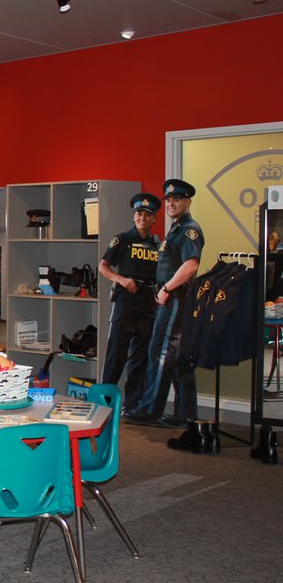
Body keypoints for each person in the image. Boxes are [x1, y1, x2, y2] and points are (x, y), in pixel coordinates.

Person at [127, 179, 204, 427]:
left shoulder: (189, 230)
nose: (171, 204)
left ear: (187, 202)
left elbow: (191, 265)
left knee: (161, 352)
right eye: (168, 200)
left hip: (175, 298)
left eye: (176, 200)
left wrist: (167, 288)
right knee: (178, 357)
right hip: (172, 298)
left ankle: (150, 410)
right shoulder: (176, 229)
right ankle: (185, 414)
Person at [98, 192, 160, 415]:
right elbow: (103, 266)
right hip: (125, 303)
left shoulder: (157, 244)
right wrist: (122, 280)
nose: (142, 218)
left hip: (148, 305)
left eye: (147, 215)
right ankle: (104, 403)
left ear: (153, 219)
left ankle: (132, 406)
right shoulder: (122, 239)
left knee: (140, 357)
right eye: (139, 214)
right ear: (134, 216)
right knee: (116, 354)